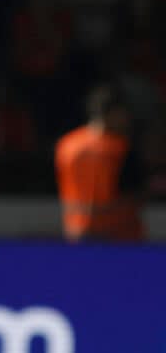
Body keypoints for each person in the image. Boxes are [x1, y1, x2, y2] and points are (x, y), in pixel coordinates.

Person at [55, 83, 145, 242]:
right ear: (112, 113)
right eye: (123, 114)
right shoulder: (120, 148)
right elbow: (134, 192)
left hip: (76, 229)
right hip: (118, 233)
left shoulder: (67, 144)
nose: (127, 119)